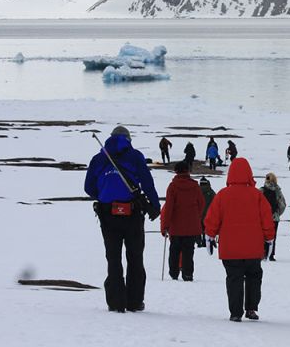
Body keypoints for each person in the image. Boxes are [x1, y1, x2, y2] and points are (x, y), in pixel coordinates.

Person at [84, 126, 160, 313]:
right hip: (132, 213)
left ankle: (116, 302)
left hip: (107, 214)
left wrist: (102, 196)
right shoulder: (135, 156)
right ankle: (134, 302)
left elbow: (88, 187)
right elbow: (147, 183)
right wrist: (155, 206)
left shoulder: (99, 158)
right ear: (128, 139)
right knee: (135, 257)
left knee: (113, 258)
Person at [204, 158, 276, 322]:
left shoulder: (222, 195)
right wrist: (269, 239)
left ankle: (235, 312)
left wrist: (209, 235)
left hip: (230, 248)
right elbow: (267, 220)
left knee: (234, 278)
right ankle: (251, 308)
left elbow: (212, 219)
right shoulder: (257, 195)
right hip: (253, 248)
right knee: (254, 277)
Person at [160, 161, 205, 281]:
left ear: (176, 171)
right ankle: (188, 274)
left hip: (176, 226)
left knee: (174, 250)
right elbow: (202, 203)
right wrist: (196, 216)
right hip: (191, 226)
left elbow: (168, 207)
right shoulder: (195, 186)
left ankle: (174, 273)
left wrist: (165, 225)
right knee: (188, 252)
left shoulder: (173, 186)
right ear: (188, 170)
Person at [261, 172, 287, 261]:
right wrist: (277, 213)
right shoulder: (277, 191)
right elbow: (282, 204)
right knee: (273, 236)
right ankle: (271, 254)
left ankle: (263, 253)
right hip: (274, 217)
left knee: (262, 235)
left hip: (263, 217)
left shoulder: (261, 190)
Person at [198, 176, 216, 247]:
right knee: (206, 229)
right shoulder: (210, 192)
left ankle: (199, 242)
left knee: (199, 229)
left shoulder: (197, 191)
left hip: (198, 214)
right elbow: (216, 202)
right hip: (208, 215)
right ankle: (206, 242)